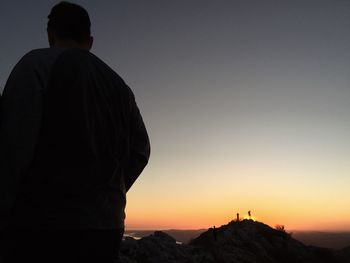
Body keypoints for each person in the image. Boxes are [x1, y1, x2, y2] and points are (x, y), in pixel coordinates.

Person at [0, 2, 150, 263]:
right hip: (107, 229)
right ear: (90, 40)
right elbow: (140, 150)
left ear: (51, 34)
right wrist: (109, 189)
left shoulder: (35, 65)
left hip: (45, 228)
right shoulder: (119, 86)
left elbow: (13, 145)